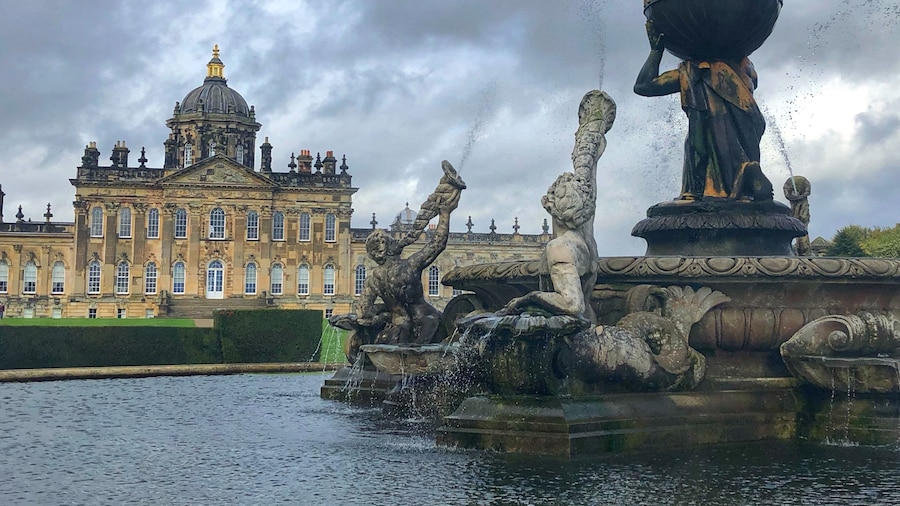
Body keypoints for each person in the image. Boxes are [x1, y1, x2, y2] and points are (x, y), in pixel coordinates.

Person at [634, 21, 772, 201]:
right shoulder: (734, 72)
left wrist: (656, 51)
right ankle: (742, 178)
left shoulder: (698, 72)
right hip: (724, 153)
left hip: (714, 157)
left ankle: (741, 179)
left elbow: (644, 85)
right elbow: (643, 87)